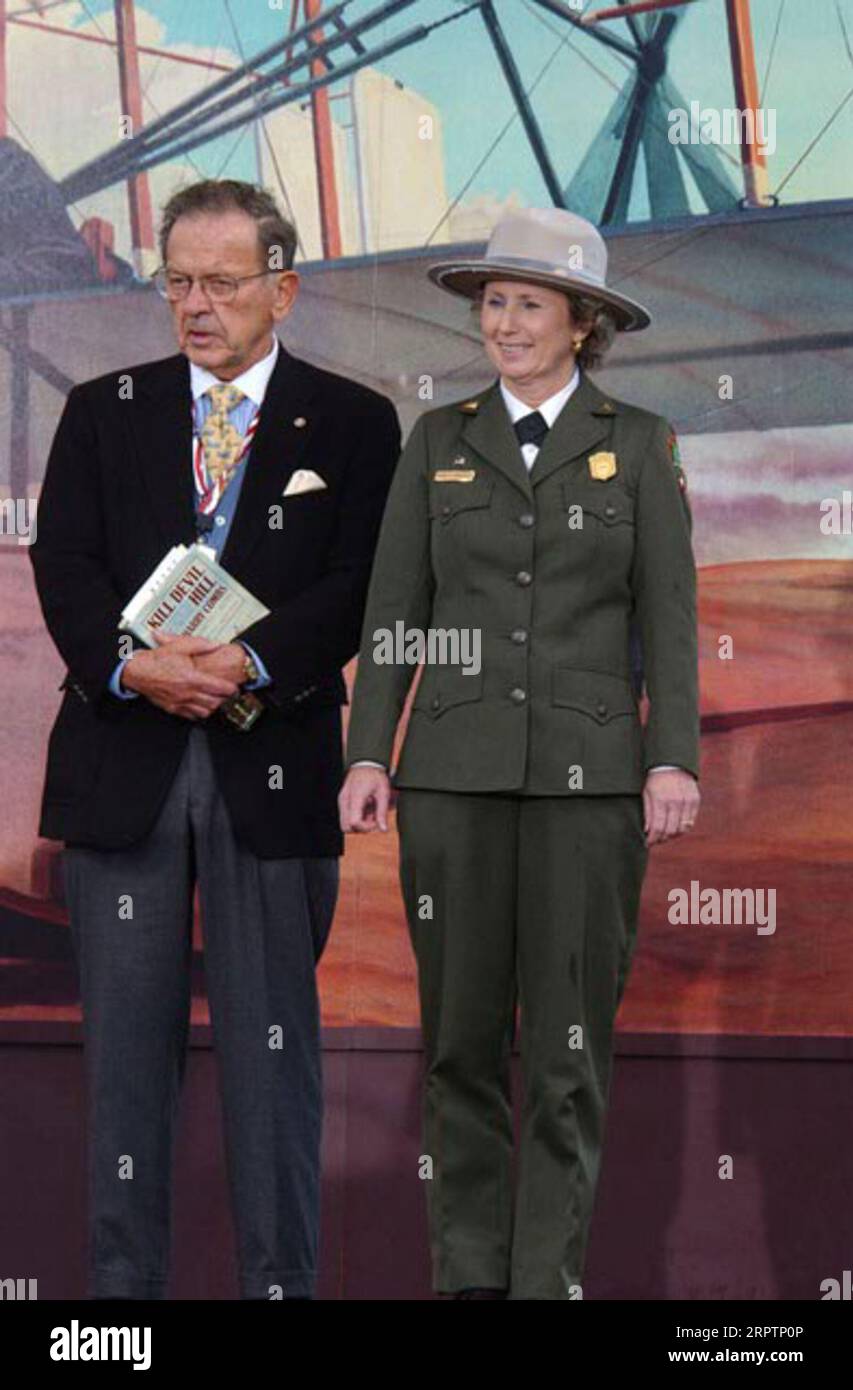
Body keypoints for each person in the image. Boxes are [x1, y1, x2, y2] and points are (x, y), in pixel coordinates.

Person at [30, 179, 400, 1300]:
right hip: (122, 762)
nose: (196, 304)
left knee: (273, 1067)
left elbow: (361, 584)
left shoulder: (353, 420)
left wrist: (248, 661)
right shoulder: (102, 408)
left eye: (222, 283)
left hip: (272, 768)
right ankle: (120, 1315)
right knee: (125, 1076)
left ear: (281, 290)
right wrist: (129, 663)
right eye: (178, 280)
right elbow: (65, 564)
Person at [339, 206, 700, 1301]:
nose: (502, 321)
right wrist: (368, 754)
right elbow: (396, 611)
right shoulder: (436, 443)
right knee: (457, 1048)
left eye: (527, 303)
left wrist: (670, 756)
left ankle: (546, 1282)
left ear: (582, 322)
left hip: (590, 791)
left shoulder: (640, 443)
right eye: (492, 301)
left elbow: (668, 617)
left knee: (564, 1056)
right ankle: (466, 1282)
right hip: (449, 778)